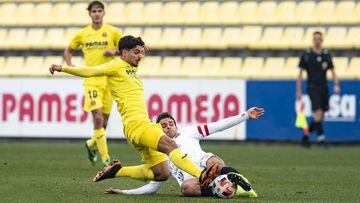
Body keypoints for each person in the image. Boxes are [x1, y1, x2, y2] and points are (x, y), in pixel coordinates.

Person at [50, 35, 217, 188]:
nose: (140, 56)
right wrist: (62, 68)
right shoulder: (115, 65)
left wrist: (142, 49)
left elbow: (136, 56)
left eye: (141, 53)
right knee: (171, 144)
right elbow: (91, 71)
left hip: (136, 127)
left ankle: (117, 171)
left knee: (161, 173)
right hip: (137, 125)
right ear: (124, 53)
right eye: (136, 52)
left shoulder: (130, 67)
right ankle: (201, 175)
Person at [102, 108, 264, 198]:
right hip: (190, 177)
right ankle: (217, 188)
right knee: (187, 189)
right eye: (163, 125)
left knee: (215, 162)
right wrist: (124, 192)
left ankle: (244, 187)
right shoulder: (159, 152)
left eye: (171, 123)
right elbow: (153, 186)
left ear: (176, 125)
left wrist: (245, 116)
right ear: (158, 130)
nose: (168, 127)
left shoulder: (190, 132)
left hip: (203, 162)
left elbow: (218, 125)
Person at [63, 1, 122, 166]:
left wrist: (115, 51)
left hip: (109, 80)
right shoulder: (83, 34)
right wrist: (70, 64)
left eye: (99, 11)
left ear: (104, 13)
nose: (96, 14)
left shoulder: (112, 32)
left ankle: (91, 144)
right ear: (89, 14)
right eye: (94, 11)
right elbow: (68, 50)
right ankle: (106, 159)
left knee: (104, 122)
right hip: (91, 80)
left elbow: (126, 49)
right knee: (97, 117)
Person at [297, 31, 340, 147]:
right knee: (318, 112)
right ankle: (321, 140)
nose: (317, 41)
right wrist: (299, 90)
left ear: (322, 40)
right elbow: (300, 74)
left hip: (324, 87)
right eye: (315, 39)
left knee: (321, 116)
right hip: (312, 87)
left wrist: (336, 84)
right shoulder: (307, 55)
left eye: (319, 39)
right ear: (313, 40)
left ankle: (307, 136)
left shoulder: (326, 55)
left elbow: (333, 71)